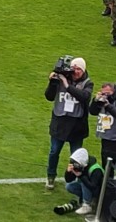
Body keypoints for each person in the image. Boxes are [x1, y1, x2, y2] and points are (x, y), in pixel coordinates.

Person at [44, 56, 92, 190]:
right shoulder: (61, 78)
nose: (76, 71)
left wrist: (66, 85)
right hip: (60, 122)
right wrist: (52, 82)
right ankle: (50, 176)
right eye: (74, 68)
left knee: (76, 155)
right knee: (54, 152)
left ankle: (74, 180)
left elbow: (84, 97)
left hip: (77, 125)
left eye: (79, 69)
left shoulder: (88, 83)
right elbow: (49, 96)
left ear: (84, 70)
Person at [53, 148, 102, 216]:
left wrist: (81, 176)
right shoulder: (80, 166)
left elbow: (93, 186)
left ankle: (87, 204)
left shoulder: (96, 170)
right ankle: (85, 199)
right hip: (89, 188)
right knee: (69, 186)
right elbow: (68, 180)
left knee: (83, 182)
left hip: (98, 192)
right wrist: (68, 172)